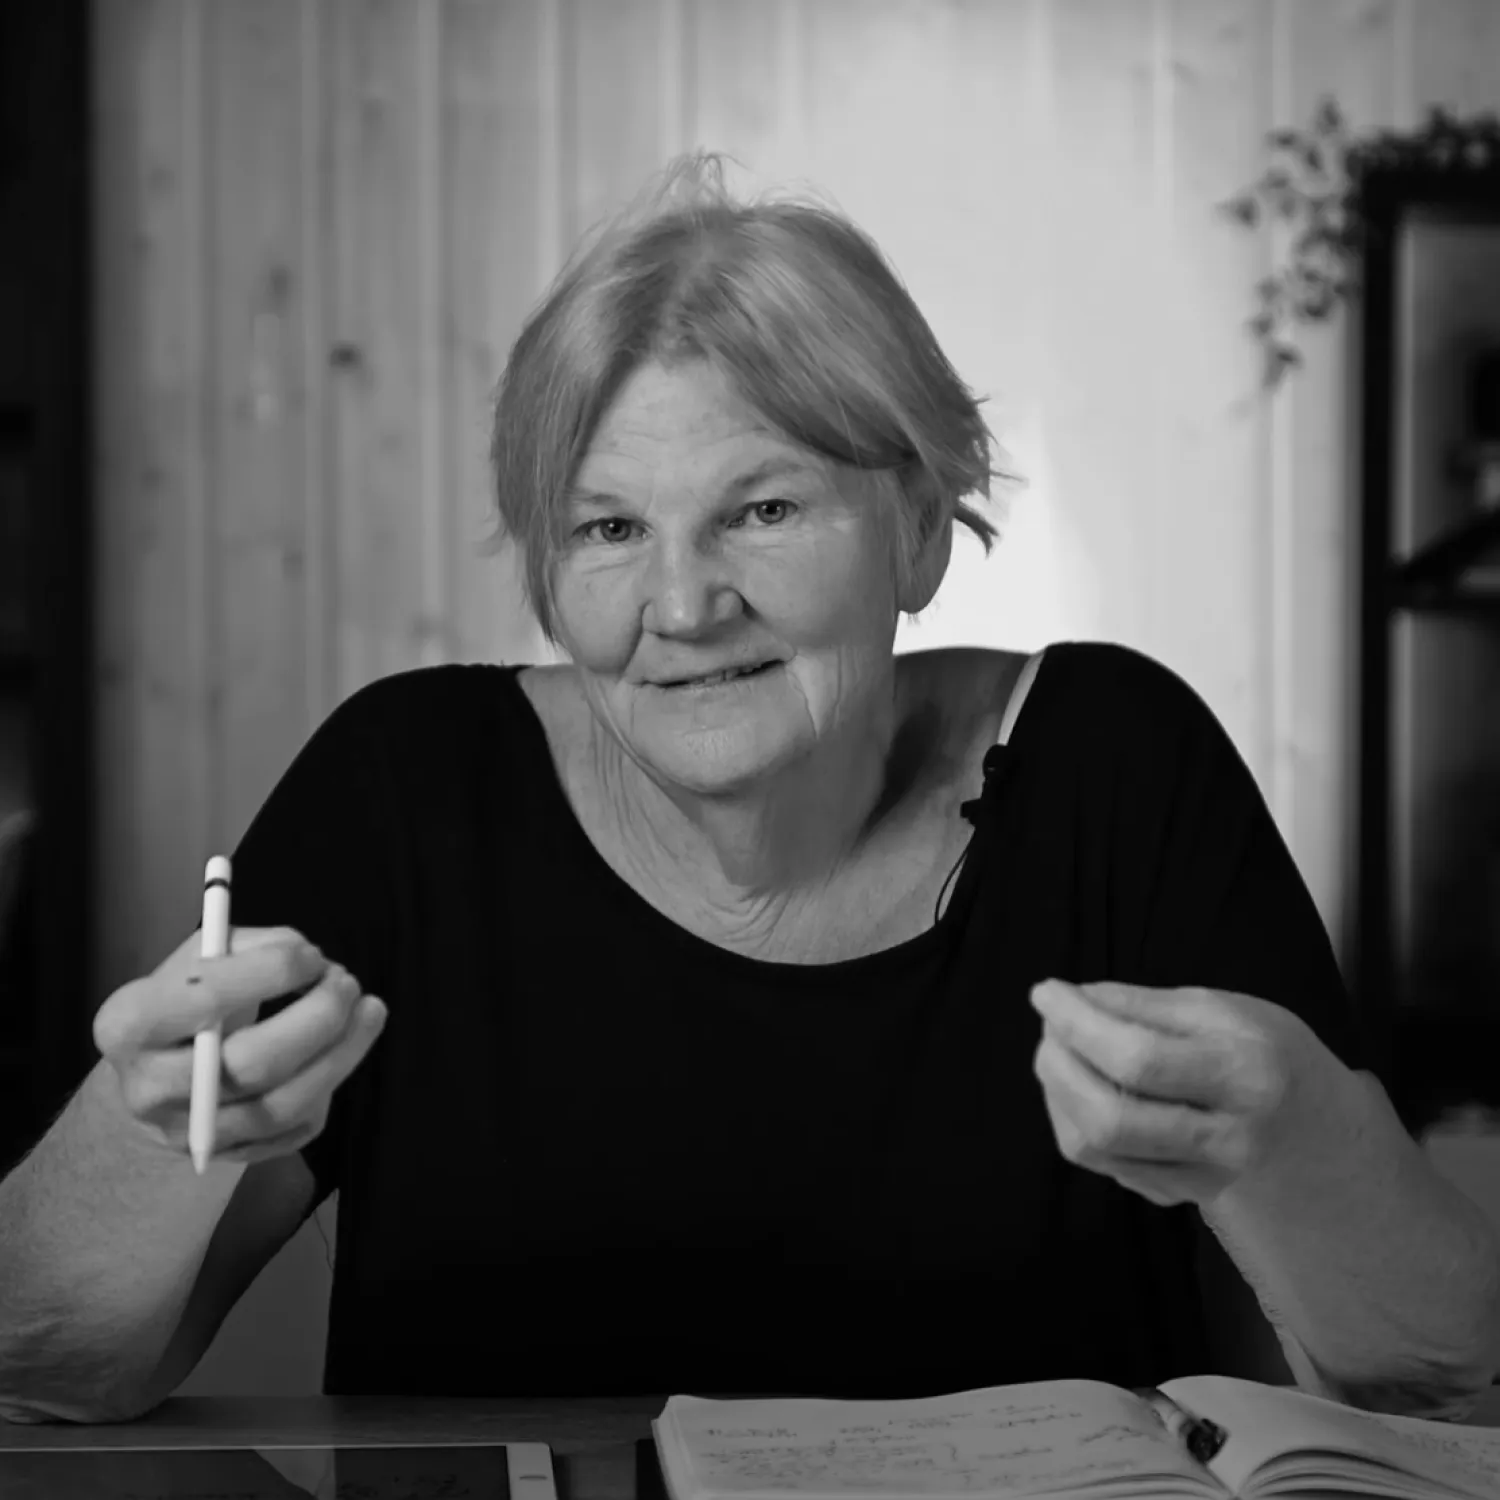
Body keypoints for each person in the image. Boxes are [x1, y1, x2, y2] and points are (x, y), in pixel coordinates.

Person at [2, 153, 1497, 1426]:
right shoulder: (409, 794)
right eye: (604, 530)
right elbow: (48, 1367)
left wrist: (1301, 1140)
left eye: (764, 508)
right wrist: (153, 1131)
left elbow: (1440, 1373)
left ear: (918, 528)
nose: (682, 603)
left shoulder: (1119, 764)